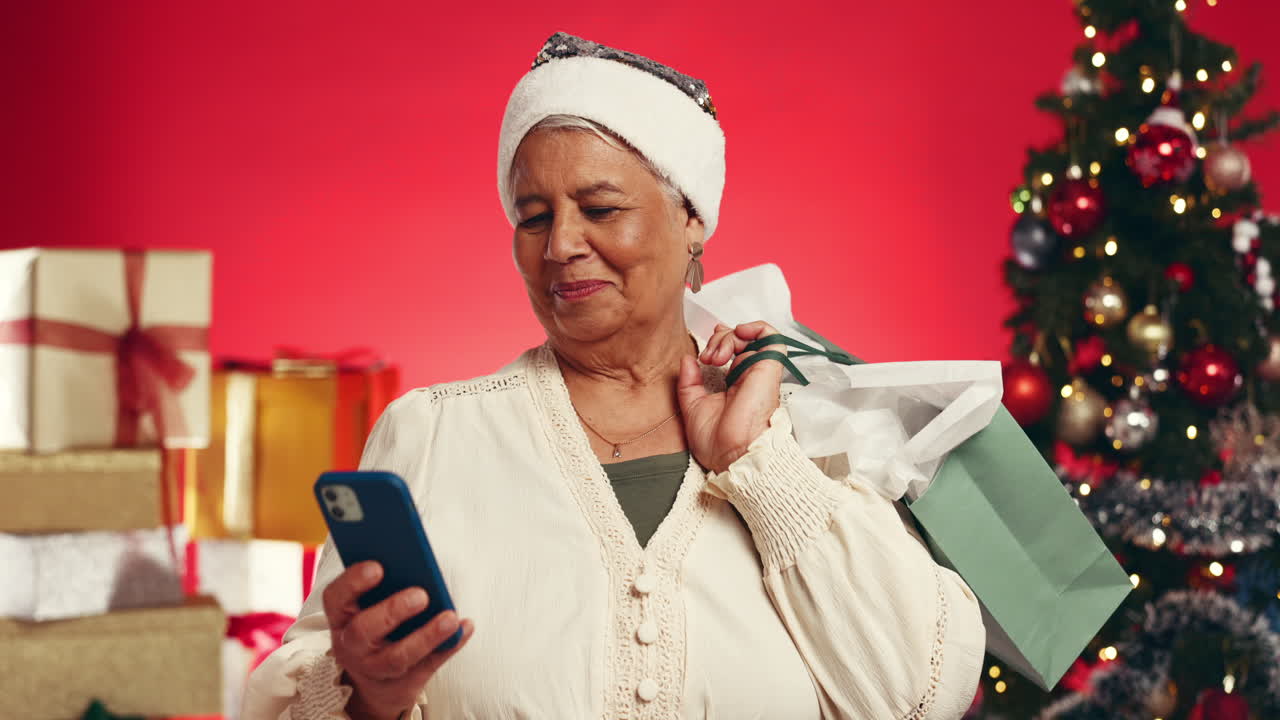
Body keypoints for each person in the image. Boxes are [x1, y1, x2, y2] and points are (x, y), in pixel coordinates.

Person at [244, 31, 985, 720]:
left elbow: (920, 696)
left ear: (690, 218)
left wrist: (757, 465)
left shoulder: (802, 430)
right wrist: (365, 698)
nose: (561, 245)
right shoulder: (434, 436)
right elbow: (291, 694)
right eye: (533, 217)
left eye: (600, 208)